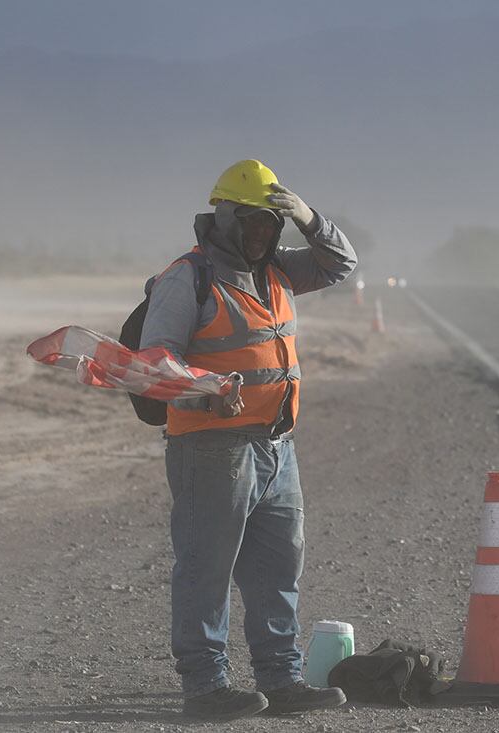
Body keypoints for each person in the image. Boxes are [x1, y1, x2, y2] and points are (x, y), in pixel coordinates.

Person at [140, 159, 358, 720]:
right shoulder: (185, 279)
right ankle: (205, 687)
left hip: (276, 448)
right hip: (211, 449)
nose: (262, 234)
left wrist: (309, 217)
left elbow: (340, 264)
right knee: (206, 569)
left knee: (278, 567)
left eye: (271, 224)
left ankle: (280, 679)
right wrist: (205, 394)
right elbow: (154, 367)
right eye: (252, 223)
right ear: (224, 218)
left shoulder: (278, 269)